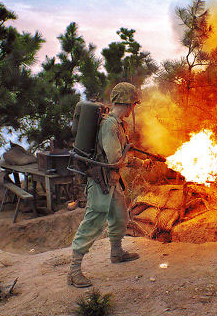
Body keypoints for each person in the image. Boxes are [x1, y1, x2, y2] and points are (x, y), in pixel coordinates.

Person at [67, 82, 142, 288]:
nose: (133, 109)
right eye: (133, 104)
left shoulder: (118, 124)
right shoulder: (109, 125)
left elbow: (120, 156)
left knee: (120, 216)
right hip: (101, 181)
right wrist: (136, 163)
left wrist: (139, 162)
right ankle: (74, 271)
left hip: (112, 180)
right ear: (128, 103)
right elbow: (115, 159)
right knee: (94, 221)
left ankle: (116, 252)